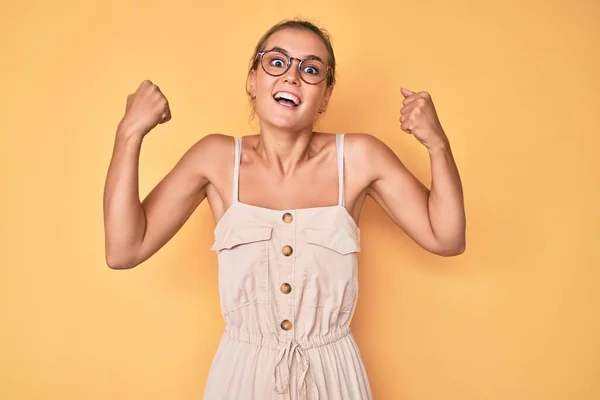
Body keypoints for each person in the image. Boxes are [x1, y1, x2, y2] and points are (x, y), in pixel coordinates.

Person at [103, 18, 466, 400]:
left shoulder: (360, 157)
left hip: (333, 376)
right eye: (277, 62)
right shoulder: (214, 159)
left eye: (311, 69)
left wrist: (437, 144)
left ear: (325, 96)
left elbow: (446, 237)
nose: (292, 76)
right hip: (242, 377)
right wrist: (129, 133)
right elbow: (123, 250)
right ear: (252, 81)